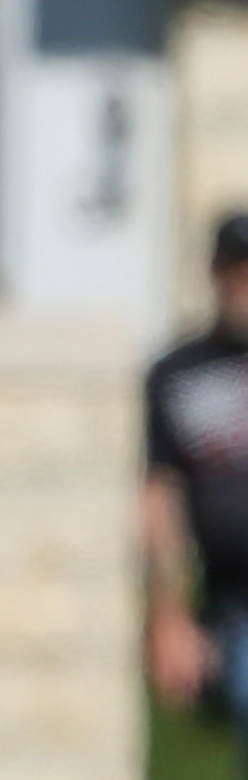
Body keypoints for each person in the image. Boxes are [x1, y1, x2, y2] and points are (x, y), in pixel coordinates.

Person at [143, 211, 248, 737]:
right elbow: (160, 497)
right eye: (238, 270)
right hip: (233, 604)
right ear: (216, 273)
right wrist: (170, 618)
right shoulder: (179, 374)